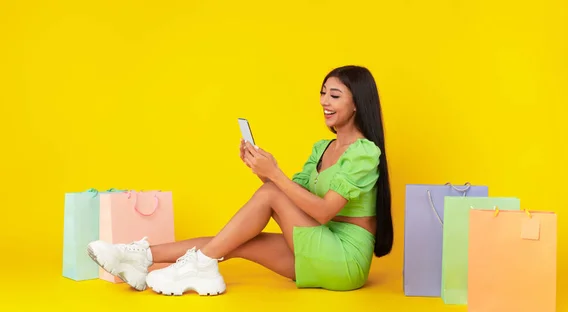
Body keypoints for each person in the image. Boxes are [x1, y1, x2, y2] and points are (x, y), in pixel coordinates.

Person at [86, 65, 394, 296]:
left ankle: (198, 265)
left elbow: (324, 211)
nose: (324, 101)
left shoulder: (364, 153)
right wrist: (261, 170)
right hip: (320, 244)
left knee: (272, 192)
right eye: (322, 93)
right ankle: (141, 257)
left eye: (335, 95)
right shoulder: (321, 148)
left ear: (356, 103)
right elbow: (294, 197)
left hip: (344, 259)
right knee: (236, 241)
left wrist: (274, 176)